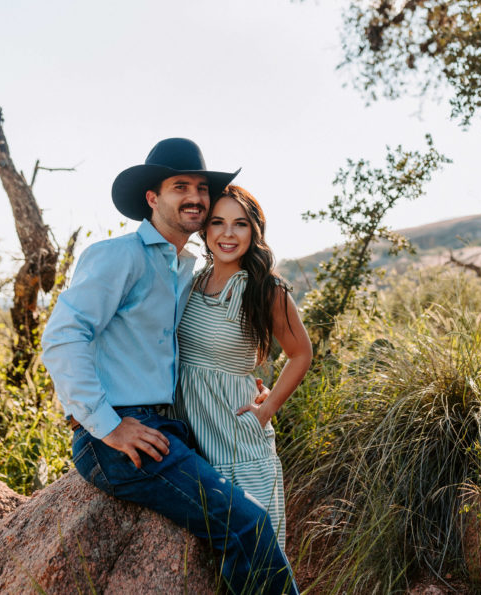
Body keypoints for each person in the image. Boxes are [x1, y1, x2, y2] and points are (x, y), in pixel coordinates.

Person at [41, 137, 298, 595]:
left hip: (170, 424)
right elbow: (63, 337)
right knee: (248, 525)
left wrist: (245, 380)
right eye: (181, 186)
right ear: (153, 198)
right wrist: (109, 426)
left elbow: (193, 345)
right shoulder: (117, 256)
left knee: (242, 526)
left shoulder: (185, 270)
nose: (196, 198)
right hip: (121, 434)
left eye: (201, 188)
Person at [170, 185, 312, 553]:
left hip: (237, 436)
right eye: (217, 222)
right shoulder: (192, 280)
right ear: (204, 229)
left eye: (240, 224)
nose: (228, 234)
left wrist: (267, 408)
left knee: (257, 560)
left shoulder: (267, 290)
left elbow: (301, 353)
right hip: (190, 432)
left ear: (255, 231)